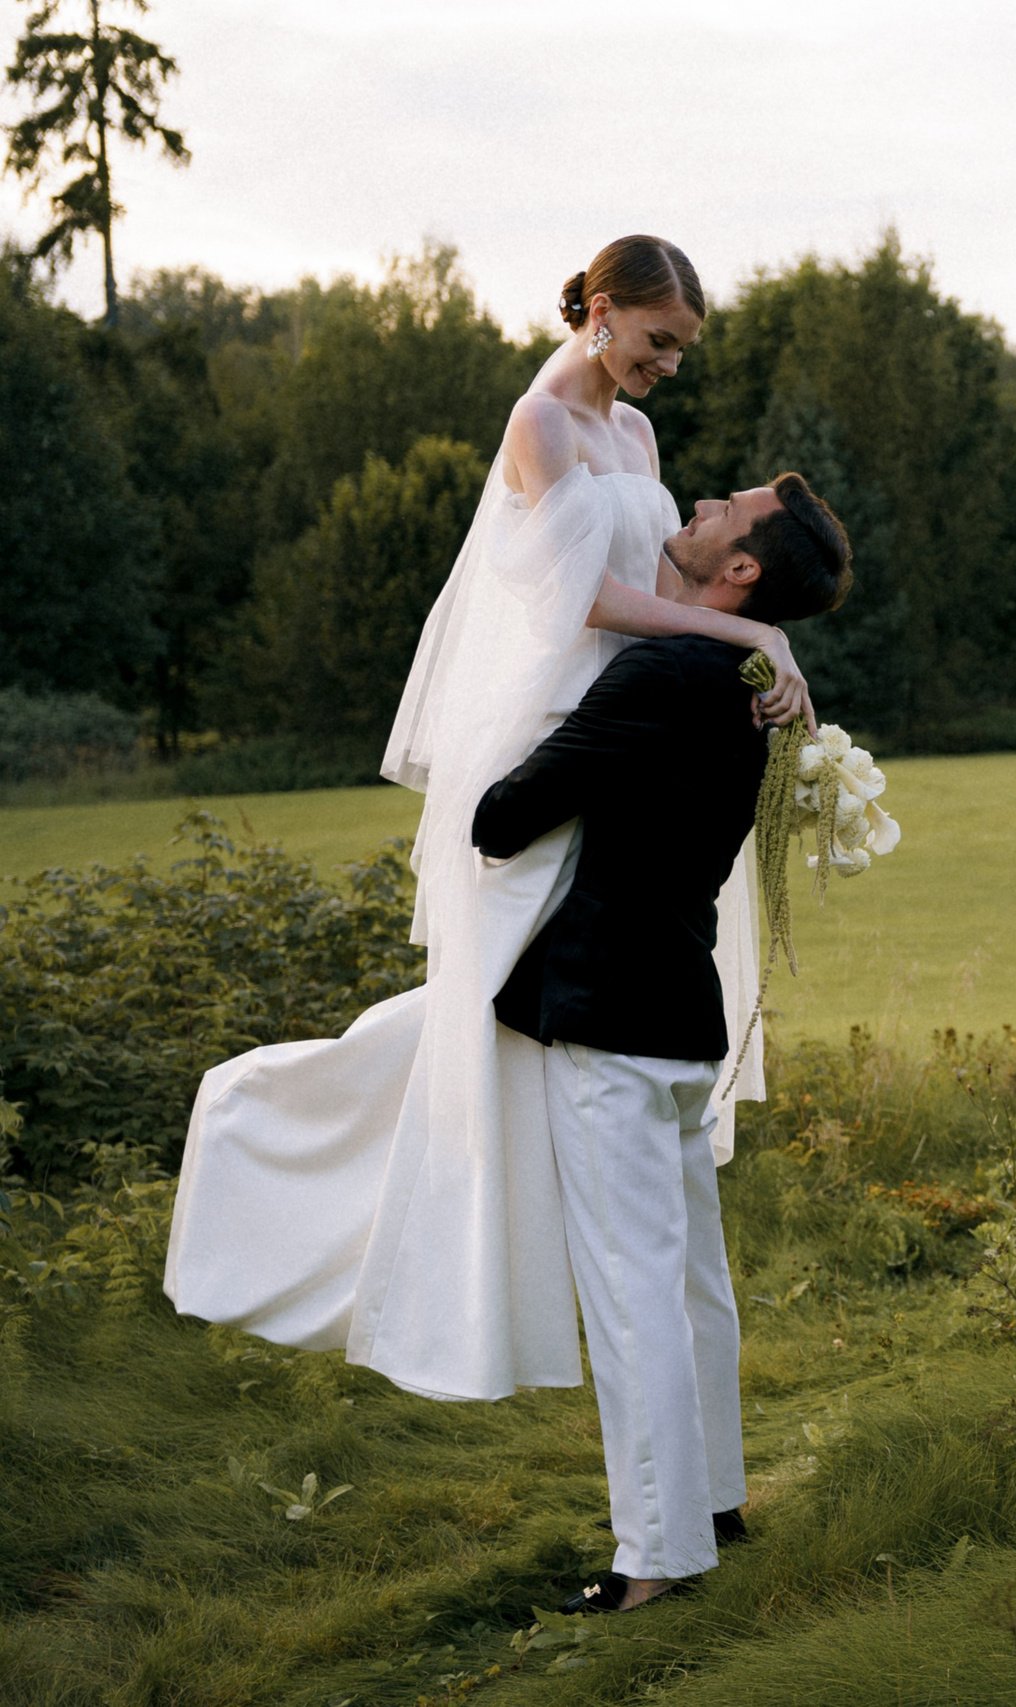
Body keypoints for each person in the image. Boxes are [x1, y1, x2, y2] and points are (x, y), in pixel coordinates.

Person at [165, 237, 808, 1403]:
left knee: (545, 1008)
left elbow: (667, 586)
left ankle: (541, 1264)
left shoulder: (638, 434)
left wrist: (734, 661)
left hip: (628, 735)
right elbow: (584, 600)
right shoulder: (539, 424)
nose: (671, 364)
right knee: (490, 1006)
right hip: (550, 743)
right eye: (659, 340)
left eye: (681, 348)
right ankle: (272, 1143)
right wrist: (747, 633)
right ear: (601, 311)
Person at [472, 473, 851, 1614]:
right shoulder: (747, 686)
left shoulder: (663, 673)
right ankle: (715, 1501)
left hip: (610, 1018)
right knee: (691, 1283)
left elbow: (502, 820)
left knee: (633, 1293)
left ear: (740, 570)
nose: (701, 504)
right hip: (680, 1012)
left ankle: (657, 1560)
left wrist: (512, 728)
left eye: (725, 511)